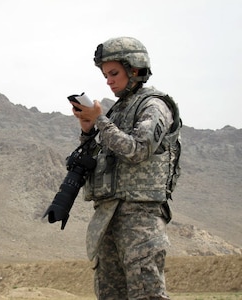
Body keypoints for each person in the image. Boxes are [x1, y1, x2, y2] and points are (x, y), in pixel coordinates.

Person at [71, 37, 181, 300]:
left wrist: (100, 120)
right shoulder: (119, 110)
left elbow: (137, 150)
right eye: (105, 75)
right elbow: (104, 157)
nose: (108, 80)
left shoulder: (154, 106)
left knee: (147, 294)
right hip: (109, 217)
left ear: (135, 69)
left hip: (140, 219)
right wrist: (88, 130)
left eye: (113, 73)